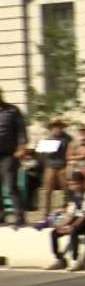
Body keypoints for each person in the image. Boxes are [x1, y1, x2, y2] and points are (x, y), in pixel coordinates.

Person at [47, 171, 85, 271]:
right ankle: (59, 259)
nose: (74, 186)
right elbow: (71, 213)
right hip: (78, 218)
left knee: (73, 230)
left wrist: (72, 226)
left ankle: (76, 261)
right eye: (72, 184)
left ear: (83, 183)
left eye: (76, 183)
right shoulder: (74, 195)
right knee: (54, 233)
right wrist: (61, 225)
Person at [0, 89, 28, 226]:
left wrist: (22, 147)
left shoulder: (12, 110)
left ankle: (19, 215)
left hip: (9, 154)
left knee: (11, 185)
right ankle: (0, 215)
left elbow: (21, 131)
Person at [38, 119, 72, 216]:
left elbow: (70, 150)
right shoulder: (48, 139)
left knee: (66, 189)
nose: (57, 128)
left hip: (62, 166)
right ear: (51, 128)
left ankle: (68, 210)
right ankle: (46, 213)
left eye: (59, 126)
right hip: (50, 166)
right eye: (55, 126)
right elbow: (41, 155)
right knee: (47, 190)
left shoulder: (67, 138)